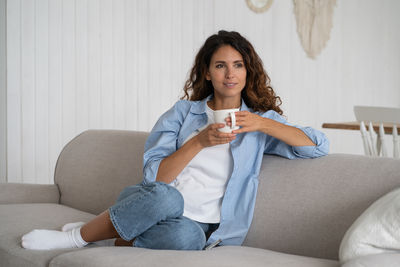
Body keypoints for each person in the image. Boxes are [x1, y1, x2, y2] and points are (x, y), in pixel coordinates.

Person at [21, 30, 329, 251]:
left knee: (188, 241)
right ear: (207, 73)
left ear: (248, 72)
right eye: (220, 65)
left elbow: (317, 146)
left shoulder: (259, 124)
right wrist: (199, 143)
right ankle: (76, 239)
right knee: (169, 197)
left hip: (200, 225)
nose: (230, 74)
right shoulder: (183, 113)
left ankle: (109, 232)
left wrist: (263, 123)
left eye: (238, 65)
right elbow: (154, 177)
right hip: (157, 202)